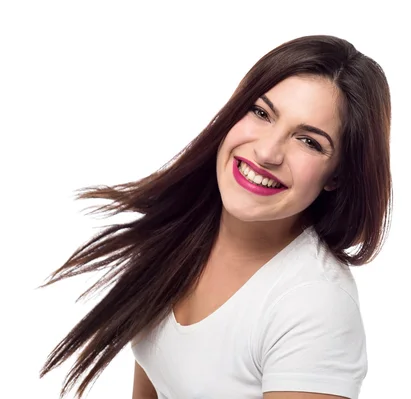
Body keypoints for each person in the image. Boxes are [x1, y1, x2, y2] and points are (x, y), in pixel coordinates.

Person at [38, 34, 392, 399]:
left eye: (309, 141)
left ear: (337, 175)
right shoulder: (183, 229)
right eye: (262, 113)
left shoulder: (315, 305)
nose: (268, 152)